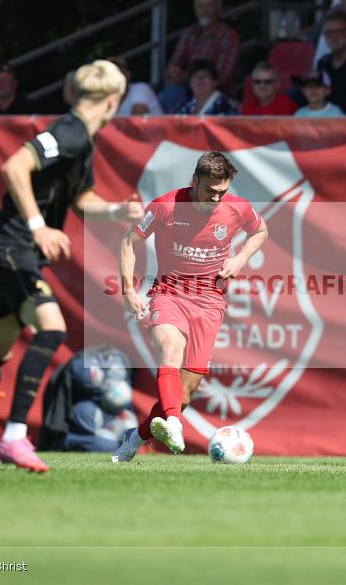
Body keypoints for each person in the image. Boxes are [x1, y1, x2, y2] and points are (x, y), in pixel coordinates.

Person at [0, 60, 144, 478]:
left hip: (21, 251)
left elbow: (81, 199)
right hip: (11, 247)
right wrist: (38, 228)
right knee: (52, 328)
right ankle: (14, 436)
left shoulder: (82, 142)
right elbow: (14, 167)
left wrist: (116, 210)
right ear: (113, 100)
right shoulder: (69, 132)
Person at [112, 152, 269, 462]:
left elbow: (261, 231)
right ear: (194, 180)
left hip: (210, 301)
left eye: (222, 191)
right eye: (210, 190)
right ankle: (174, 424)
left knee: (182, 395)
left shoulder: (236, 208)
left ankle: (136, 437)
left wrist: (239, 259)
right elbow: (129, 241)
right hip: (169, 293)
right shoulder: (166, 206)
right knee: (169, 349)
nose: (216, 197)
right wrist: (129, 290)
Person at [160, 0, 239, 113]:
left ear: (218, 10)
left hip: (215, 91)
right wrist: (173, 73)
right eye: (200, 6)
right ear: (195, 10)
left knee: (176, 91)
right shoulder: (189, 33)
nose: (204, 10)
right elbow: (174, 65)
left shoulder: (229, 36)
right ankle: (171, 128)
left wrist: (187, 76)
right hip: (187, 88)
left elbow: (223, 77)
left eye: (209, 5)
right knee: (170, 89)